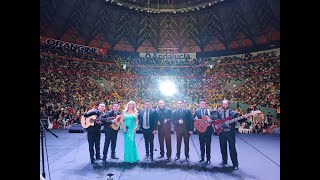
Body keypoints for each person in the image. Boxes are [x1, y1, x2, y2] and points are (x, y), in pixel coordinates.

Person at [216, 99, 249, 170]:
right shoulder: (218, 112)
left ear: (228, 104)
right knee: (223, 148)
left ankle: (235, 164)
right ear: (222, 104)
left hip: (230, 133)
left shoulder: (233, 113)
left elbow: (239, 119)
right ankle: (224, 161)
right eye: (223, 104)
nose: (225, 105)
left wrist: (245, 117)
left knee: (232, 149)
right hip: (222, 132)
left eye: (226, 104)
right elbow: (216, 120)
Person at [193, 99, 215, 165]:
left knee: (208, 144)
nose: (202, 105)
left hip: (208, 130)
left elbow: (214, 120)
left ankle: (208, 159)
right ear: (199, 104)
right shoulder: (197, 111)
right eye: (201, 103)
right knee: (201, 144)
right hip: (201, 130)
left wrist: (210, 120)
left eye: (203, 103)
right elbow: (194, 119)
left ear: (206, 104)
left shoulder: (210, 111)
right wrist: (195, 119)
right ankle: (202, 158)